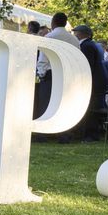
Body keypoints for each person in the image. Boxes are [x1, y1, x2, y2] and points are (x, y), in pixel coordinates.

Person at [36, 12, 79, 140]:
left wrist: (41, 73)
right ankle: (64, 134)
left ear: (53, 22)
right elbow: (77, 58)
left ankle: (43, 134)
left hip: (51, 73)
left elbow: (43, 58)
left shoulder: (49, 37)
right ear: (66, 23)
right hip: (67, 73)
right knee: (64, 103)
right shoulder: (74, 39)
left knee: (45, 103)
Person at [72, 25, 106, 141]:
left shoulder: (86, 46)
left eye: (76, 33)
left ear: (82, 34)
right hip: (96, 79)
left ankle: (91, 134)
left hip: (93, 81)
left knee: (90, 108)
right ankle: (89, 133)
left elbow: (87, 65)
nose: (75, 35)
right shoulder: (90, 44)